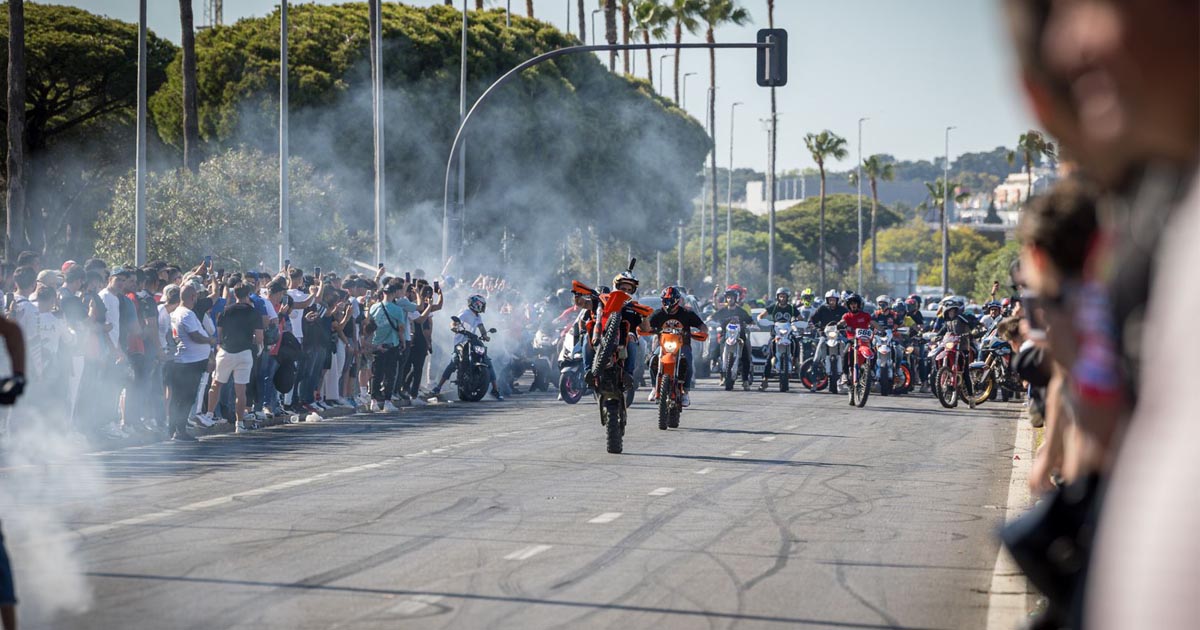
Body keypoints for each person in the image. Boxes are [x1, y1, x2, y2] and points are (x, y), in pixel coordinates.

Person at [195, 284, 263, 432]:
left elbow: (218, 334)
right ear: (248, 294)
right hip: (244, 353)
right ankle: (239, 424)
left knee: (216, 384)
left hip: (226, 351)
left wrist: (221, 344)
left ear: (234, 295)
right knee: (241, 389)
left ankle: (209, 414)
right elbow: (259, 338)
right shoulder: (254, 312)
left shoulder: (226, 311)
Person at [430, 294, 503, 400]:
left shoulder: (478, 316)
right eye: (481, 304)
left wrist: (485, 335)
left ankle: (495, 390)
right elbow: (453, 323)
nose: (482, 307)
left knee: (487, 360)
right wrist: (456, 328)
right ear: (475, 304)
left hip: (473, 341)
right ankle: (438, 387)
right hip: (461, 343)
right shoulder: (465, 313)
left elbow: (481, 327)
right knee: (454, 361)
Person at [167, 284, 214, 441]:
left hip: (187, 360)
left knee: (180, 396)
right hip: (189, 362)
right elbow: (195, 336)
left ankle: (174, 428)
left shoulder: (178, 313)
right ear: (192, 297)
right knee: (186, 397)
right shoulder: (185, 314)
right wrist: (210, 340)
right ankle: (179, 429)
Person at [647, 286, 705, 406]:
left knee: (688, 362)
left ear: (677, 300)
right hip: (663, 345)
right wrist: (646, 329)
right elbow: (646, 326)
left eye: (670, 301)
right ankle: (654, 387)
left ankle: (685, 392)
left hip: (683, 345)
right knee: (653, 359)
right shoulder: (658, 313)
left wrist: (702, 332)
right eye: (665, 300)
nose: (668, 303)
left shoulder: (687, 313)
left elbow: (702, 326)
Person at [708, 288, 755, 387]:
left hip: (740, 336)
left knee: (746, 355)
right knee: (718, 351)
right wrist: (709, 320)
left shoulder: (741, 311)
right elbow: (712, 317)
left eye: (732, 297)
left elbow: (751, 321)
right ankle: (721, 374)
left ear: (736, 299)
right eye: (728, 297)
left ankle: (745, 380)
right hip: (726, 336)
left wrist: (753, 325)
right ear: (726, 299)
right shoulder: (723, 311)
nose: (730, 300)